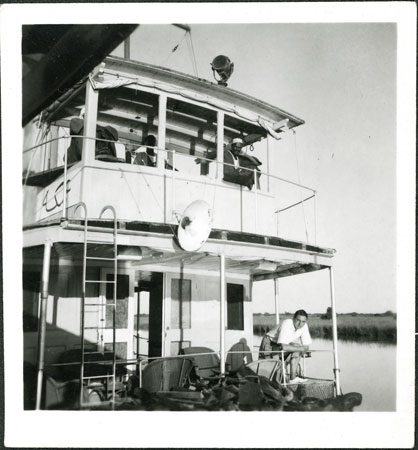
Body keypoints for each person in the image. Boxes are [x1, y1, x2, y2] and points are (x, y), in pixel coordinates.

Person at [259, 309, 312, 384]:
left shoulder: (304, 326)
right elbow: (283, 347)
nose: (300, 324)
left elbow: (306, 346)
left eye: (303, 321)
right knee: (274, 373)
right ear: (293, 318)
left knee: (297, 350)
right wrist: (300, 348)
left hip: (281, 344)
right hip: (269, 343)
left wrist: (299, 349)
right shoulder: (287, 323)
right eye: (298, 320)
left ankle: (293, 378)